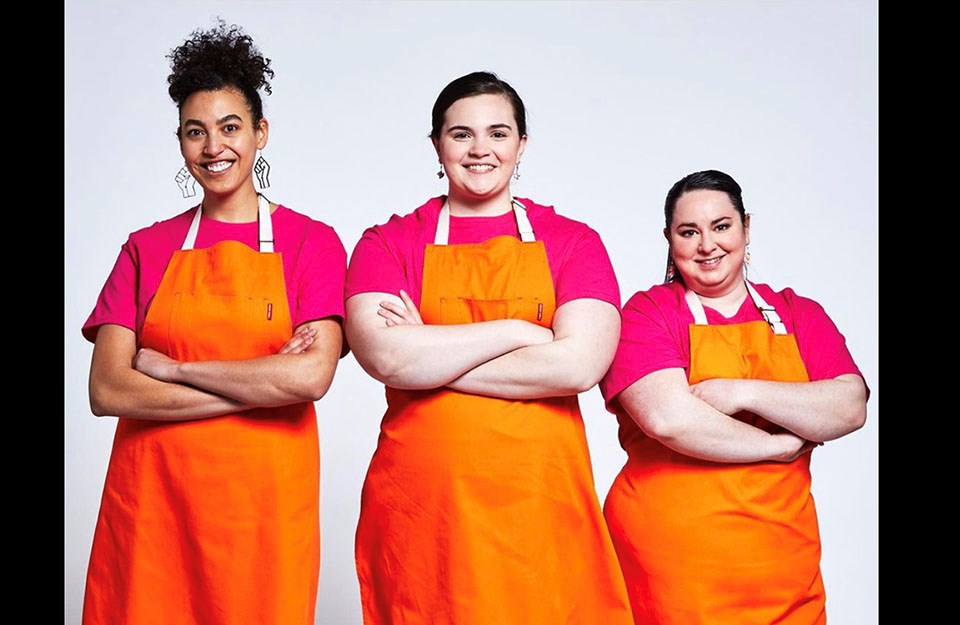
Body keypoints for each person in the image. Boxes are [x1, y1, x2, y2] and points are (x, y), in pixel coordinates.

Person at [80, 19, 347, 625]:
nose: (213, 147)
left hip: (263, 515)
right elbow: (108, 390)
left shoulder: (313, 244)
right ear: (179, 141)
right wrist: (261, 385)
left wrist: (171, 371)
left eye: (230, 128)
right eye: (194, 132)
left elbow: (307, 379)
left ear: (260, 133)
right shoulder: (146, 248)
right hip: (153, 509)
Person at [344, 71, 634, 625]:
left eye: (498, 133)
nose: (481, 149)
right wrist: (520, 332)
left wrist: (427, 351)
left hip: (538, 506)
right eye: (461, 135)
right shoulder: (389, 242)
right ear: (436, 145)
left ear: (521, 144)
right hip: (425, 513)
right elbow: (384, 358)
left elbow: (578, 365)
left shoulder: (573, 242)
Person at [599, 168, 869, 624]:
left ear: (746, 226)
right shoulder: (647, 314)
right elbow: (669, 418)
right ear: (669, 237)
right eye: (689, 232)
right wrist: (777, 444)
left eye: (721, 226)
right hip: (673, 570)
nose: (708, 245)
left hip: (784, 563)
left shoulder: (797, 313)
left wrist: (739, 391)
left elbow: (849, 406)